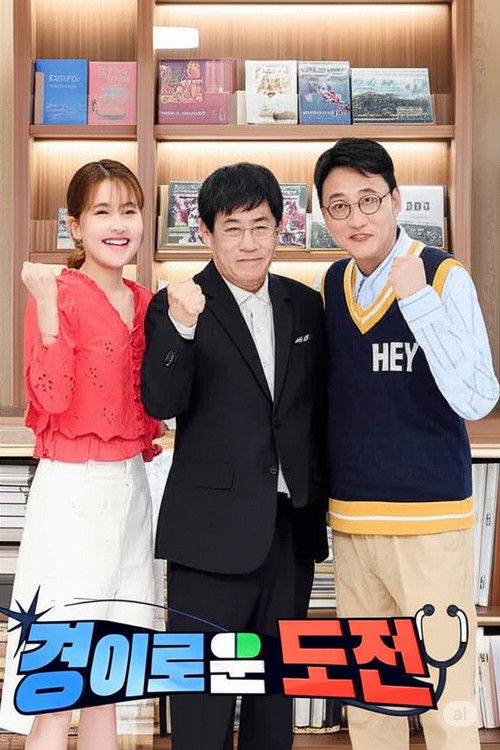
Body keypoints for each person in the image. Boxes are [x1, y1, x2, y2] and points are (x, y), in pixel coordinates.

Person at [314, 137, 499, 750]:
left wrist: (417, 299)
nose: (356, 217)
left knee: (447, 695)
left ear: (396, 200)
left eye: (369, 199)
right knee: (372, 698)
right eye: (339, 205)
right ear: (324, 215)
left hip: (430, 520)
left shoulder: (443, 275)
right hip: (353, 520)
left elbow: (478, 398)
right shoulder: (333, 281)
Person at [141, 162, 328, 750]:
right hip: (209, 536)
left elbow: (315, 410)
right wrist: (182, 327)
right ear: (205, 232)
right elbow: (160, 402)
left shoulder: (305, 304)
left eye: (260, 226)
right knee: (202, 704)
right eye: (233, 228)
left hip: (289, 532)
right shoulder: (177, 303)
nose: (249, 243)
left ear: (281, 228)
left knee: (275, 699)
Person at [0, 159, 163, 749]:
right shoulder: (59, 293)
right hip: (73, 487)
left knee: (108, 676)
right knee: (59, 674)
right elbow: (51, 397)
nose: (118, 224)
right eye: (102, 212)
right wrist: (46, 309)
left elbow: (156, 403)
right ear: (74, 226)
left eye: (129, 211)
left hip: (132, 486)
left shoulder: (147, 302)